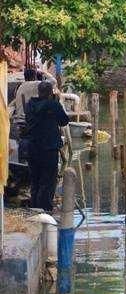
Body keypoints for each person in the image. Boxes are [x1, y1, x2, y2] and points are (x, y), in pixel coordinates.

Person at [24, 81, 69, 211]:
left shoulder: (30, 104)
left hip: (33, 146)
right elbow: (64, 121)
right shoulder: (53, 105)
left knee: (35, 180)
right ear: (50, 93)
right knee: (48, 181)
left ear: (38, 92)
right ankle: (45, 209)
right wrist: (55, 104)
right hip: (49, 148)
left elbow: (29, 120)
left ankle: (34, 208)